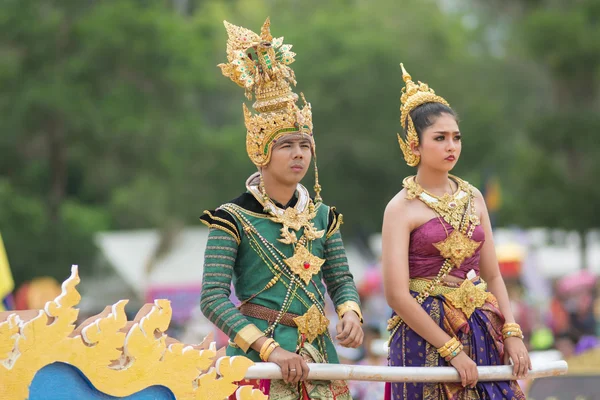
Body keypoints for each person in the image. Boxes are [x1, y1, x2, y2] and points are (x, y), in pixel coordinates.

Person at [199, 18, 363, 399]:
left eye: (305, 146)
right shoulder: (232, 218)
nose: (299, 155)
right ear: (261, 150)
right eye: (287, 145)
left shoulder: (324, 216)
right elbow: (212, 297)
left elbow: (340, 279)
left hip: (320, 356)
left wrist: (350, 312)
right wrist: (271, 350)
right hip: (260, 358)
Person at [381, 64, 529, 398]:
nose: (452, 146)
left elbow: (492, 276)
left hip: (479, 326)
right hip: (423, 336)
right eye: (440, 138)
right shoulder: (401, 208)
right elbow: (396, 295)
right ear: (414, 146)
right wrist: (451, 351)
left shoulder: (474, 196)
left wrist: (512, 332)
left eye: (456, 137)